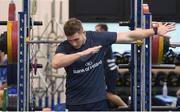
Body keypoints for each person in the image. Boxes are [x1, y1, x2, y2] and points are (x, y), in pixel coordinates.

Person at [52, 18, 175, 111]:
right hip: (75, 102)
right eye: (70, 40)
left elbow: (129, 35)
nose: (73, 44)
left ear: (82, 32)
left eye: (76, 39)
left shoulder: (98, 38)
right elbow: (56, 63)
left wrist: (155, 31)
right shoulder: (65, 46)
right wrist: (82, 53)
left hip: (97, 101)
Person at [95, 23, 127, 108]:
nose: (96, 33)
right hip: (109, 71)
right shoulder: (104, 40)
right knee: (105, 94)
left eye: (97, 31)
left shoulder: (104, 41)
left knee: (106, 94)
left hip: (109, 72)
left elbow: (98, 55)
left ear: (103, 31)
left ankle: (126, 108)